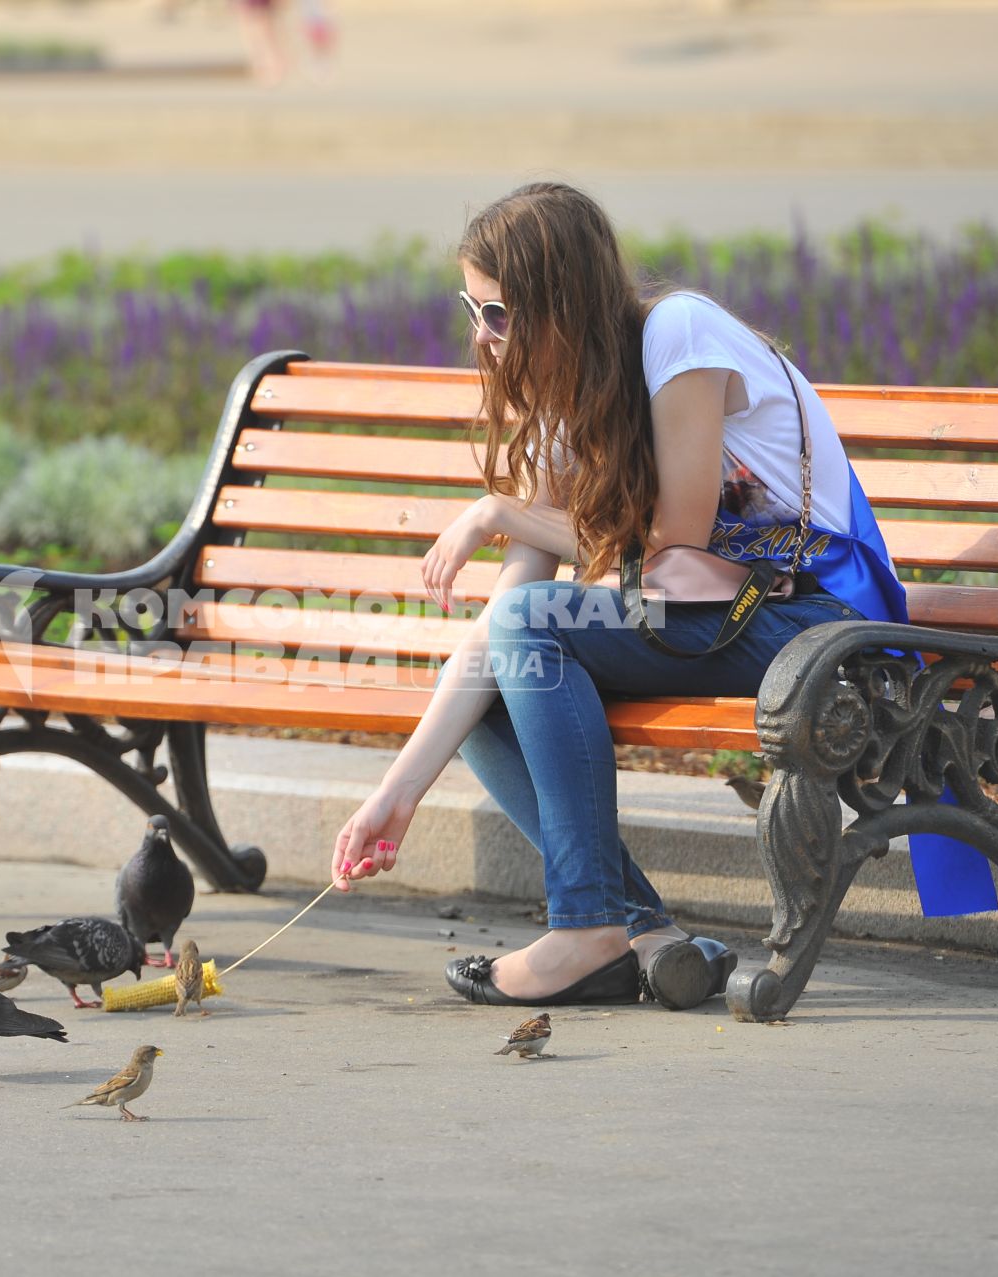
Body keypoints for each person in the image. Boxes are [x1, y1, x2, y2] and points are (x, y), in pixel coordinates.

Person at [328, 182, 908, 1011]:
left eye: (498, 315)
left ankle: (587, 926)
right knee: (498, 677)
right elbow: (505, 621)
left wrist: (499, 509)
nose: (480, 337)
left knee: (532, 629)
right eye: (473, 309)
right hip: (721, 618)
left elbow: (680, 534)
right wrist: (398, 792)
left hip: (818, 617)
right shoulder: (577, 398)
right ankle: (642, 935)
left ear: (558, 306)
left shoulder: (678, 334)